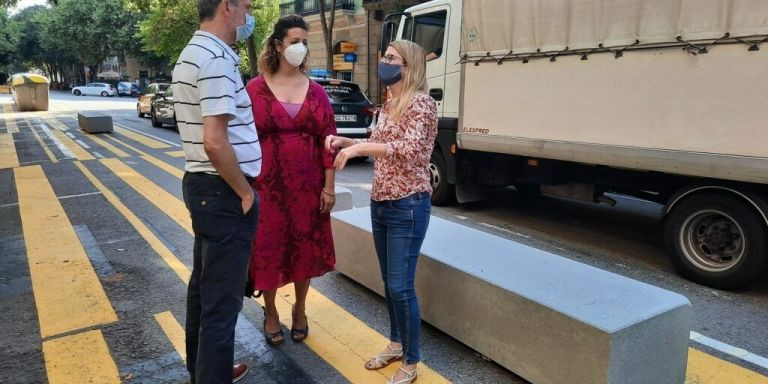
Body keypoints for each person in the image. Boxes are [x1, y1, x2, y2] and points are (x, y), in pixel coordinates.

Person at [325, 40, 437, 384]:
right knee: (390, 283)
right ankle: (395, 343)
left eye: (391, 58)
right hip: (381, 201)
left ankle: (412, 361)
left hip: (408, 203)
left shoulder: (423, 104)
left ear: (409, 66)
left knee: (402, 286)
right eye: (384, 57)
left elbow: (409, 149)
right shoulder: (390, 103)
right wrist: (346, 142)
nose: (383, 62)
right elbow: (379, 140)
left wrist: (360, 146)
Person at [173, 0, 260, 383]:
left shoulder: (194, 51)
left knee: (204, 290)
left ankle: (204, 369)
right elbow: (215, 141)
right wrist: (245, 193)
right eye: (247, 6)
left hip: (204, 186)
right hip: (223, 190)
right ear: (228, 6)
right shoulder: (216, 58)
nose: (250, 14)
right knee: (222, 301)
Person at [245, 15, 337, 346]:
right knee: (268, 249)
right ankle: (270, 311)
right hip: (266, 187)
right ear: (278, 44)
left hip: (308, 187)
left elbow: (329, 140)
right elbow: (240, 140)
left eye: (304, 41)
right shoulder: (254, 88)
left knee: (304, 251)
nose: (300, 47)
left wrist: (329, 187)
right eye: (294, 41)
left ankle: (299, 308)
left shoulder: (316, 92)